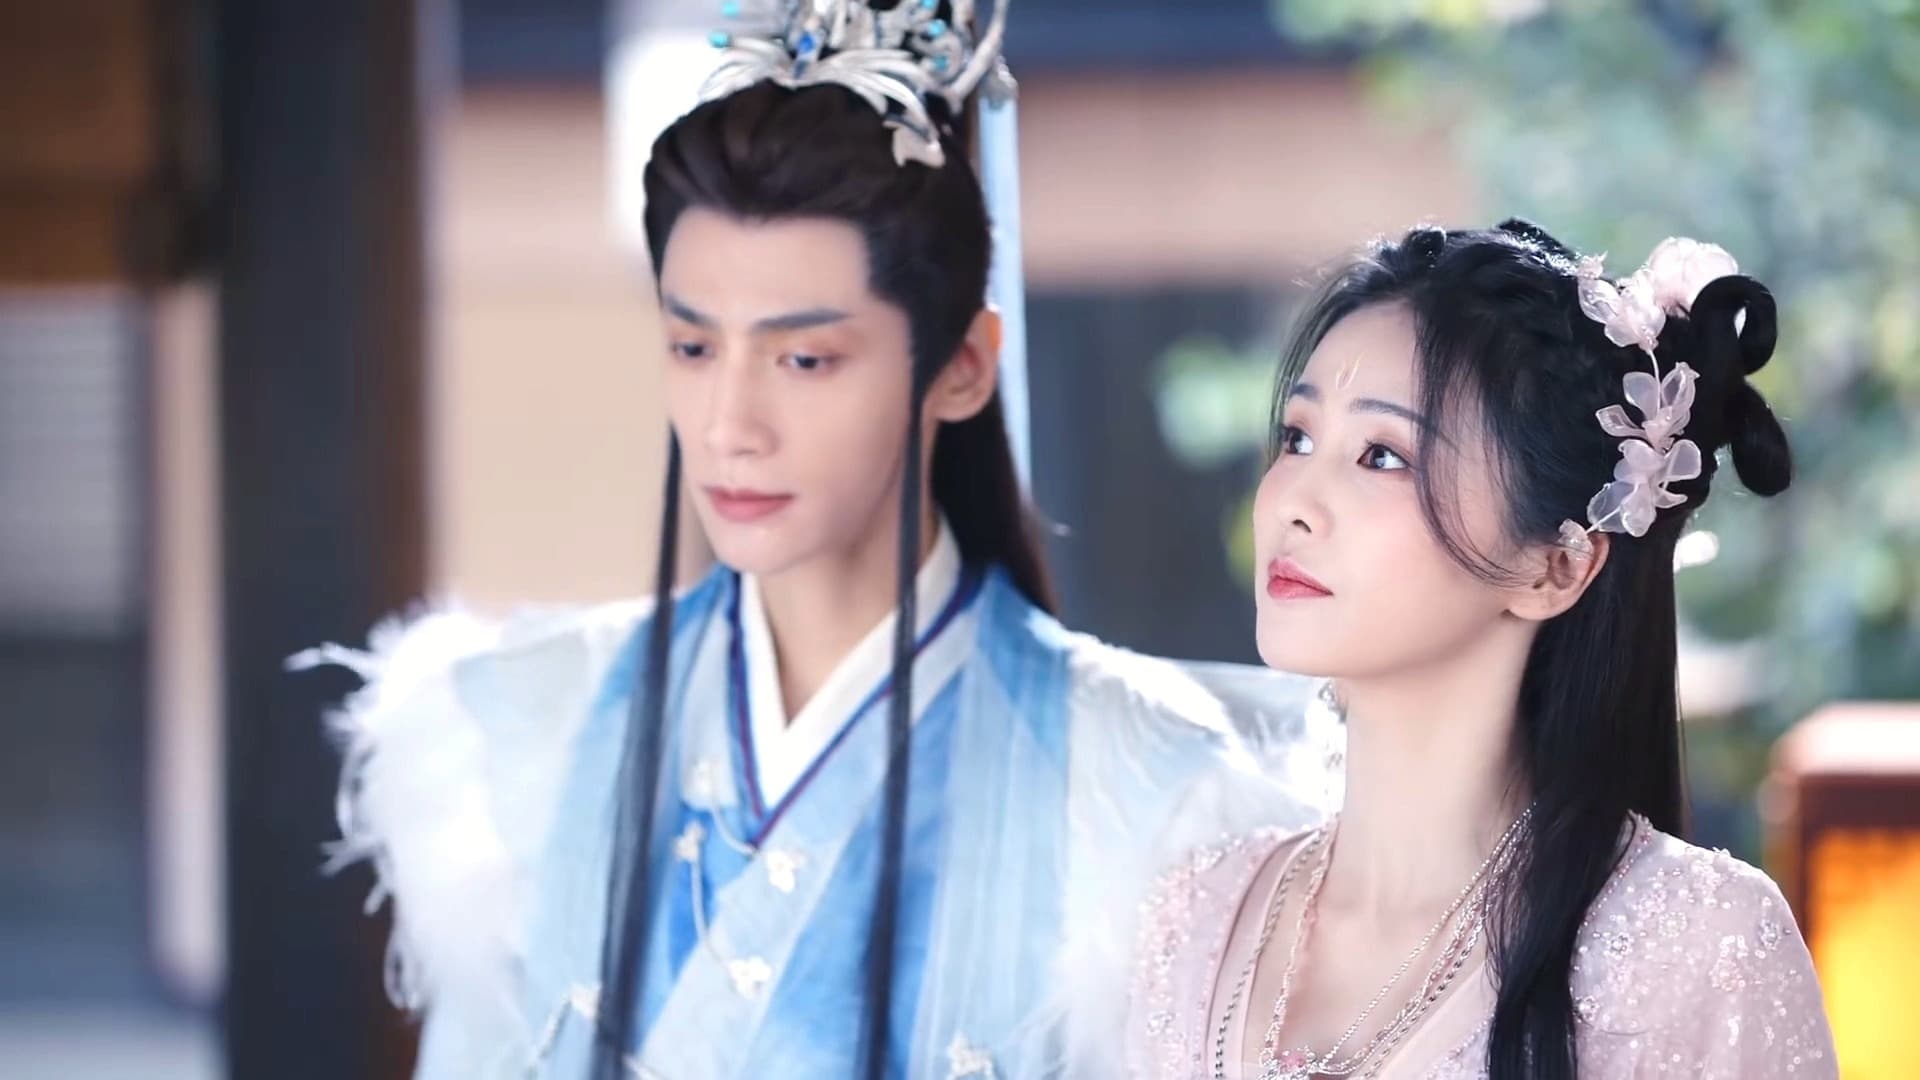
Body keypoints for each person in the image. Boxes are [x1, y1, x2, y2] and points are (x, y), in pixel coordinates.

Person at [307, 3, 1324, 1077]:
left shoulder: (1139, 799)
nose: (729, 426)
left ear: (963, 366)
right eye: (694, 347)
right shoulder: (528, 735)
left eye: (804, 360)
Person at [1128, 221, 1837, 1079]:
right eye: (1298, 437)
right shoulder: (1200, 915)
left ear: (1555, 566)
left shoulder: (1694, 944)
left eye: (1381, 456)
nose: (1293, 502)